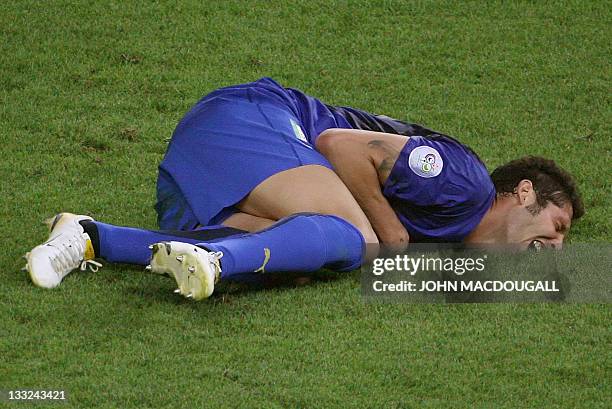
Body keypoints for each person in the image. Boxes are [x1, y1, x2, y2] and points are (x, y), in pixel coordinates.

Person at [23, 77, 584, 300]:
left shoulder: (452, 234)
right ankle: (219, 260)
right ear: (524, 194)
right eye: (556, 228)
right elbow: (342, 144)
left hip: (211, 177)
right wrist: (388, 233)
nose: (555, 249)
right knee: (359, 239)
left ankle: (89, 237)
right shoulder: (465, 183)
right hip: (251, 121)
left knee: (297, 253)